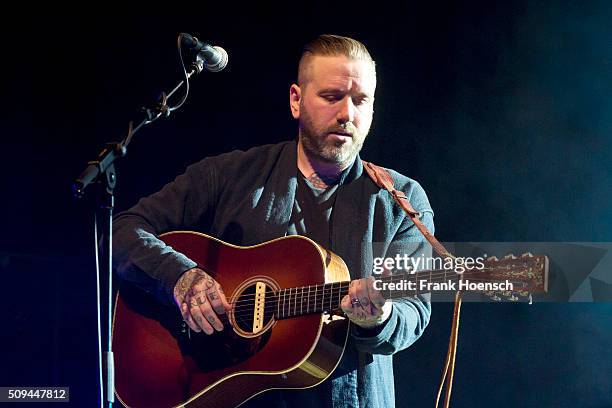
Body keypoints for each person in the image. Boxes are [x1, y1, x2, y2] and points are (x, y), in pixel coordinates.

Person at [113, 34, 434, 408]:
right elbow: (123, 230)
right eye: (332, 97)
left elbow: (414, 311)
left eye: (361, 101)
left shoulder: (402, 200)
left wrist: (382, 315)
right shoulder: (228, 176)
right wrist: (180, 276)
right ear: (296, 100)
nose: (348, 114)